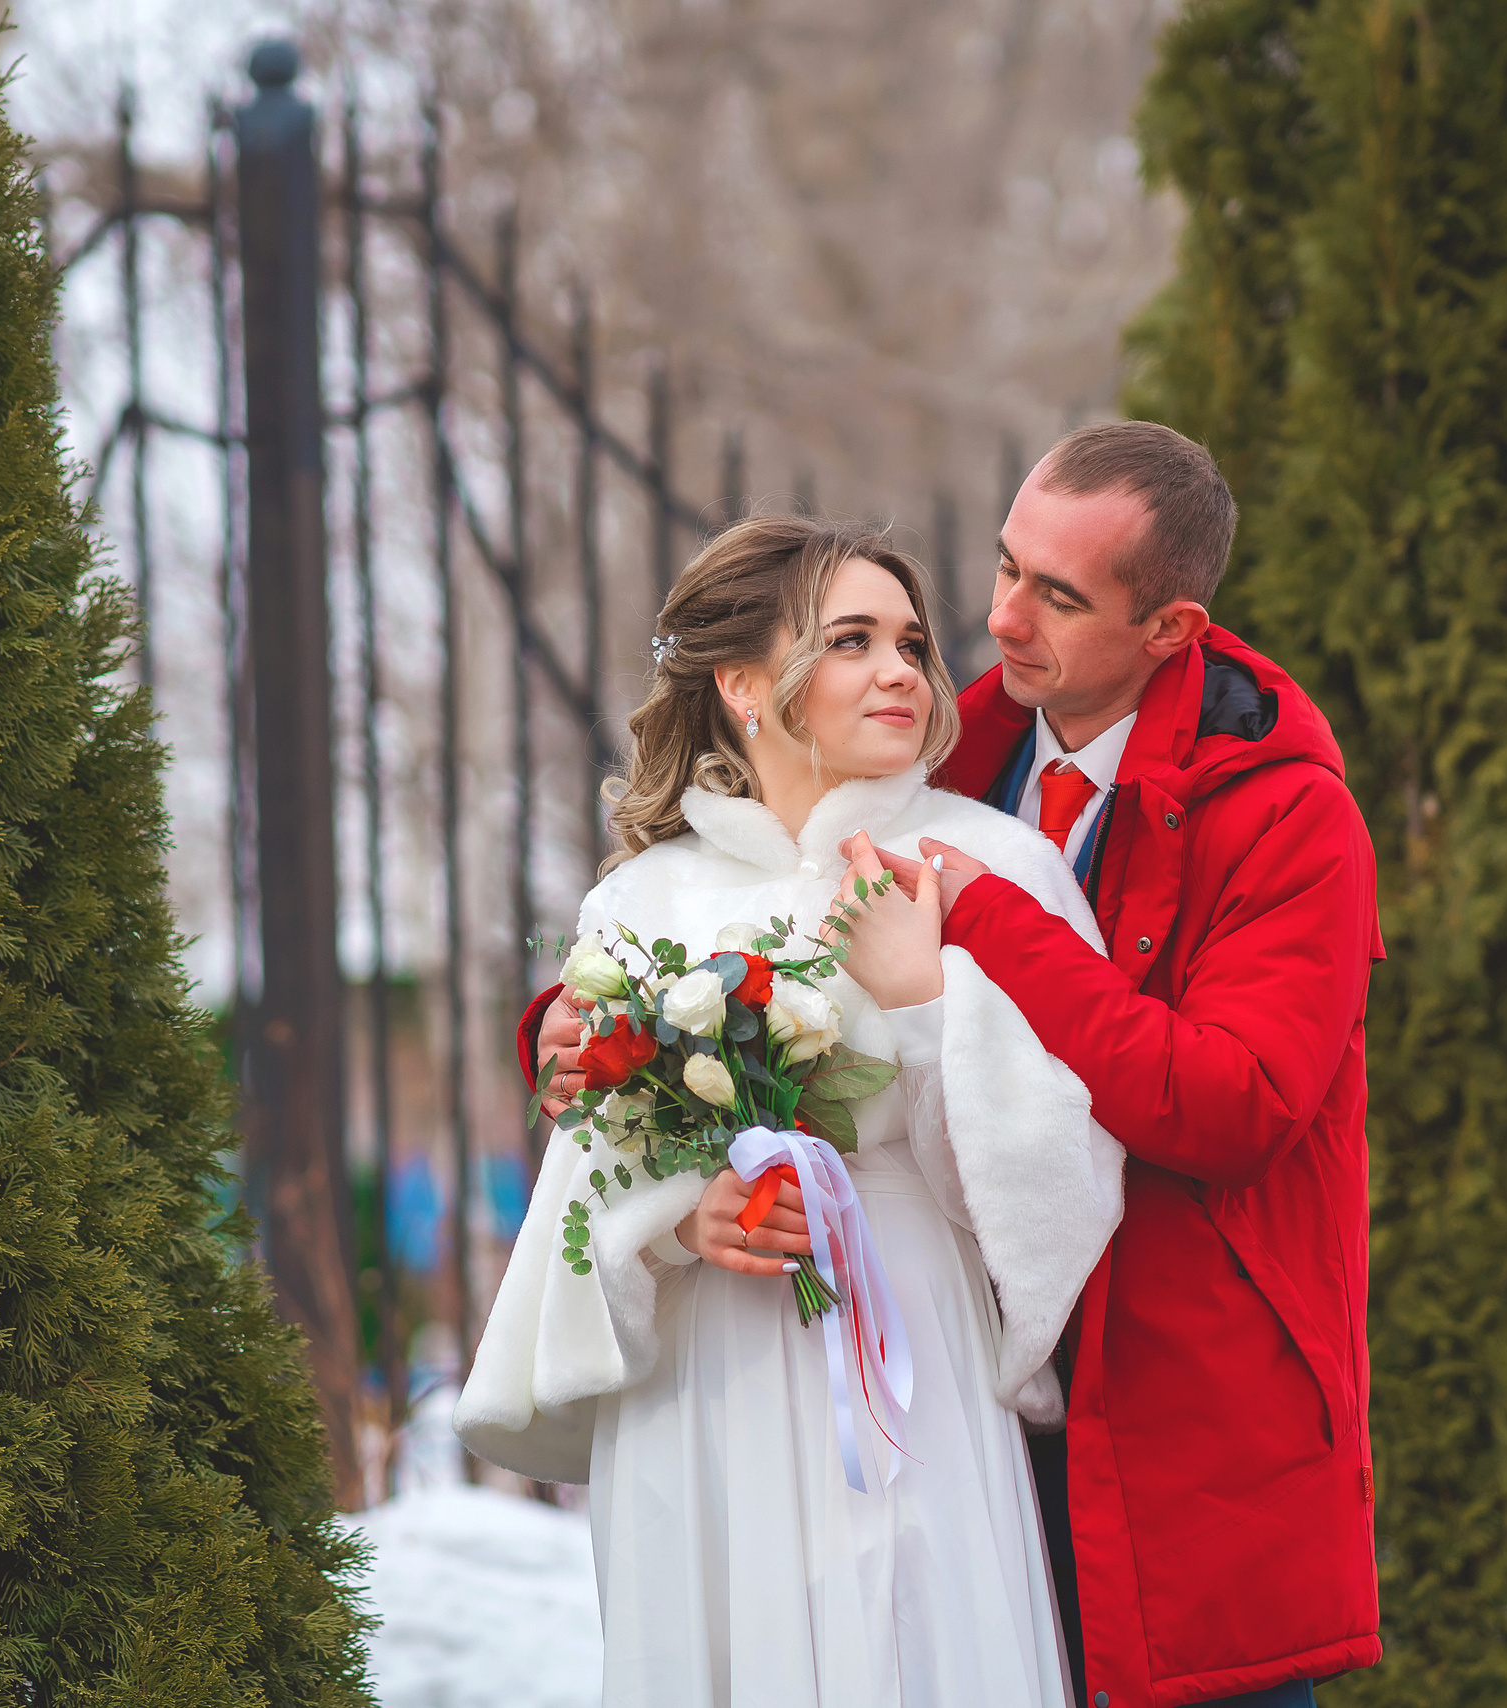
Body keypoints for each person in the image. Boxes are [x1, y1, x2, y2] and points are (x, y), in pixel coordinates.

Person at [533, 423, 1384, 1708]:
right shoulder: (958, 747)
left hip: (1181, 1411)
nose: (996, 621)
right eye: (1001, 569)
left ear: (1171, 628)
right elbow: (759, 879)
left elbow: (1231, 1106)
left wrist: (983, 931)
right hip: (956, 1400)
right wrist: (592, 1020)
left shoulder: (1282, 814)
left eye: (1058, 594)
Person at [458, 515, 1125, 1708]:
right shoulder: (641, 901)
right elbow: (587, 1180)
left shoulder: (996, 863)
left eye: (912, 644)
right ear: (744, 682)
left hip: (908, 1337)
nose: (902, 672)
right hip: (703, 1377)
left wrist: (923, 1001)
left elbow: (1065, 1173)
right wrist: (681, 1217)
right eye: (853, 639)